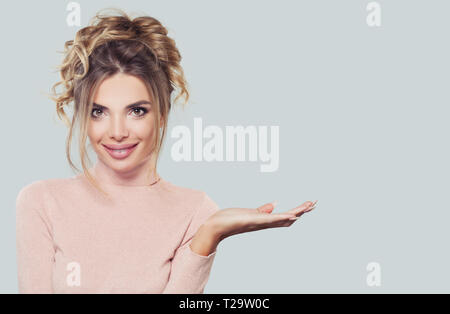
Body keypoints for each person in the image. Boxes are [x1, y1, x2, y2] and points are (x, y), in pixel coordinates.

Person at [15, 8, 318, 294]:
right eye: (99, 112)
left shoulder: (196, 211)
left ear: (161, 115)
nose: (117, 132)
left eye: (136, 110)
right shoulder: (41, 202)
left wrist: (210, 233)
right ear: (83, 116)